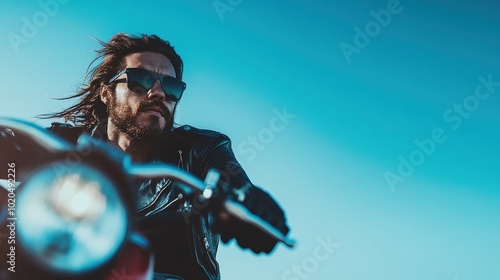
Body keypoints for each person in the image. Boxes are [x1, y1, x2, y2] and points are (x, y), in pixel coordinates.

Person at [41, 33, 290, 280]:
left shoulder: (199, 149)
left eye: (171, 87)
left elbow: (229, 178)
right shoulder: (66, 145)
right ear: (107, 93)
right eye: (141, 80)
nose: (158, 93)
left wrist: (244, 200)